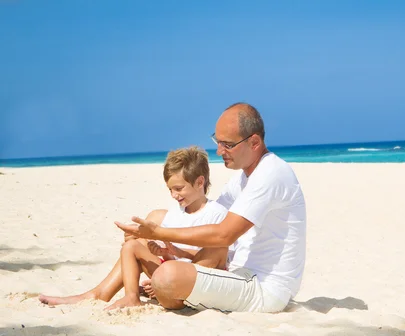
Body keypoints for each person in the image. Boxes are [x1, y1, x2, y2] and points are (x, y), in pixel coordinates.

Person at [116, 102, 307, 313]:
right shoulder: (243, 178)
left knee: (168, 274)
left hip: (263, 288)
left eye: (227, 144)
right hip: (236, 274)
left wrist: (159, 232)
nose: (219, 151)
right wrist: (148, 234)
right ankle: (102, 293)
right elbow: (206, 213)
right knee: (142, 236)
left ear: (254, 142)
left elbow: (224, 235)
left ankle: (165, 287)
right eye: (217, 141)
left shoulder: (270, 174)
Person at [39, 146, 229, 310]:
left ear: (200, 182)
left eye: (179, 188)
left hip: (192, 284)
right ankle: (127, 297)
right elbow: (171, 257)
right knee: (132, 245)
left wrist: (172, 262)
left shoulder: (216, 213)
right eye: (170, 189)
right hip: (170, 275)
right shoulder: (175, 214)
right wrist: (163, 253)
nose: (173, 195)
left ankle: (147, 288)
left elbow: (213, 260)